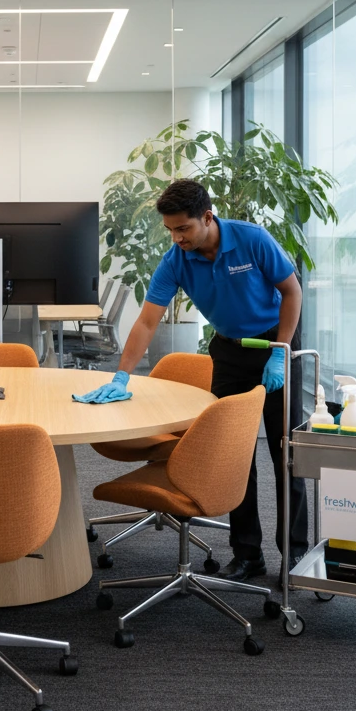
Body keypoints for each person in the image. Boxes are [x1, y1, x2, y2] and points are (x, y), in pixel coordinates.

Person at [76, 177, 308, 579]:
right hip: (230, 351)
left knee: (285, 451)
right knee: (234, 454)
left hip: (275, 343)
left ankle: (296, 554)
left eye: (183, 228)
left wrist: (280, 351)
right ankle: (247, 553)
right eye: (170, 229)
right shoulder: (176, 261)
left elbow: (292, 291)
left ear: (207, 217)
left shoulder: (251, 239)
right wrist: (121, 376)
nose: (177, 238)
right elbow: (147, 321)